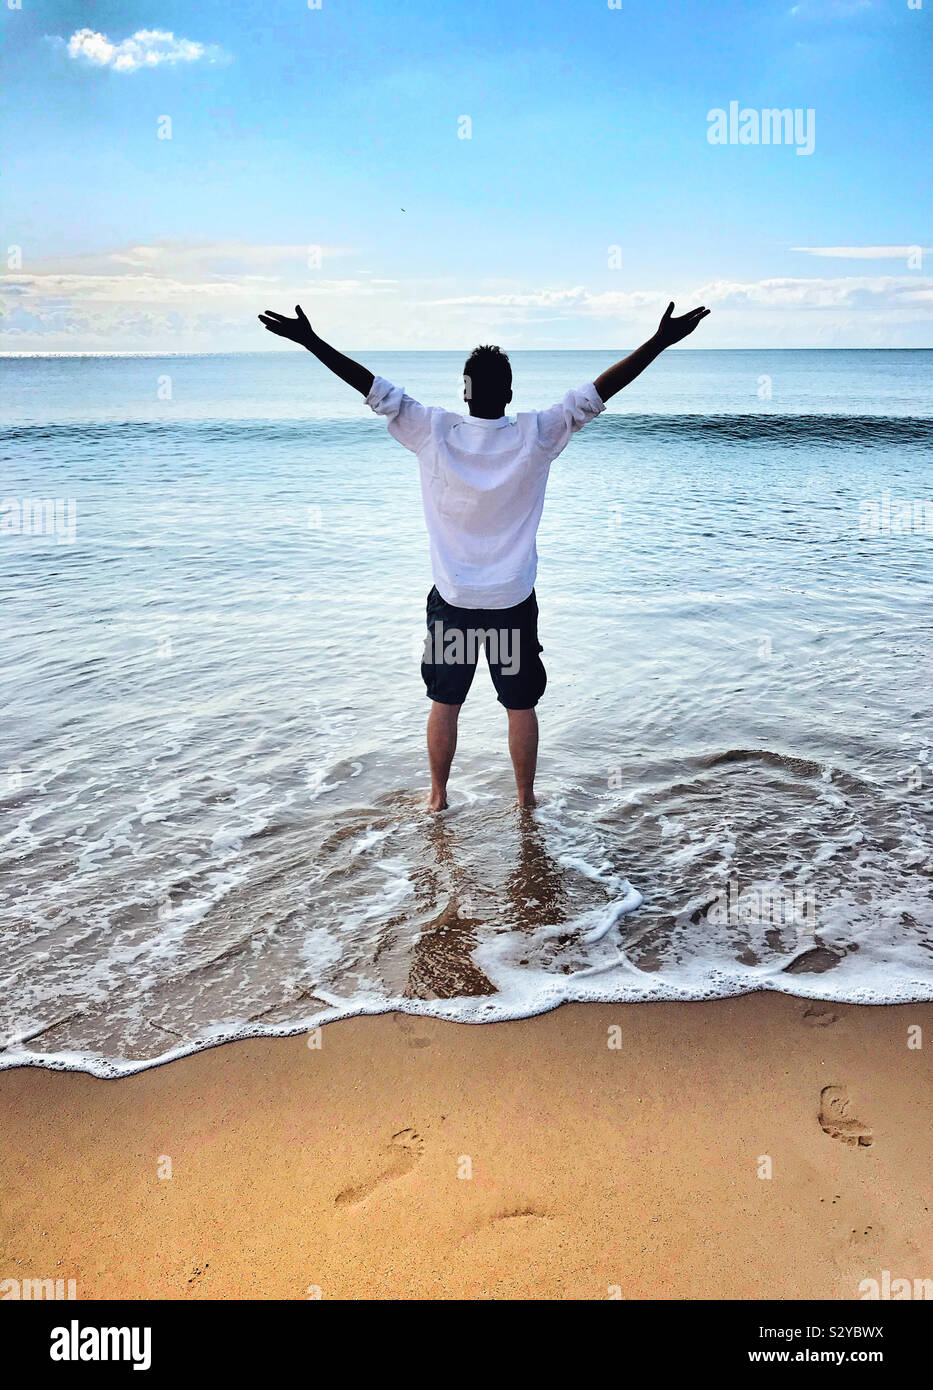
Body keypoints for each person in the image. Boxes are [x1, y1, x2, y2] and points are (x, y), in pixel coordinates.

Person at [258, 299, 710, 810]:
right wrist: (660, 341)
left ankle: (437, 798)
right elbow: (598, 393)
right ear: (510, 393)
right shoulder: (536, 433)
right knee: (519, 706)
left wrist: (310, 340)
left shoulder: (432, 429)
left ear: (465, 392)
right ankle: (524, 803)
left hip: (454, 602)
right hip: (511, 603)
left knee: (445, 702)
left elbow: (371, 388)